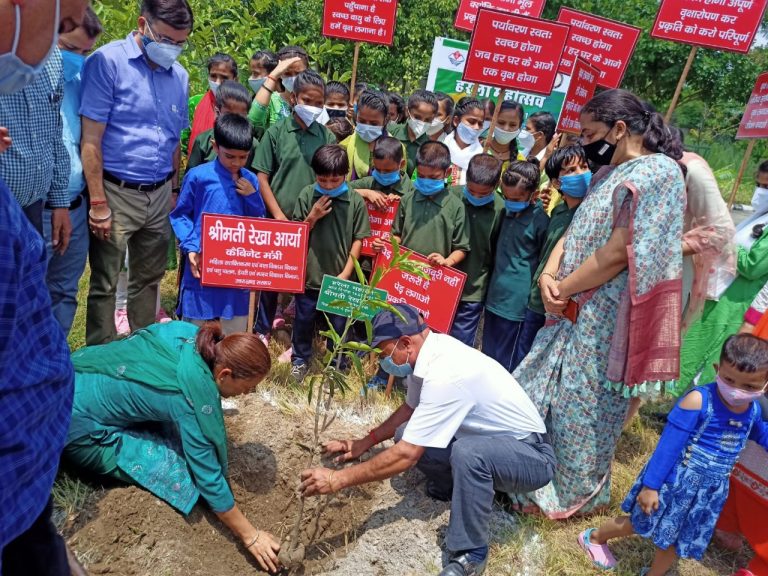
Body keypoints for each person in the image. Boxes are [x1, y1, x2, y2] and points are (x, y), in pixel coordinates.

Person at [510, 89, 686, 518]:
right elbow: (574, 232)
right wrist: (551, 277)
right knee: (539, 394)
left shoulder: (658, 173)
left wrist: (565, 287)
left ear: (619, 129)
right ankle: (530, 478)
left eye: (590, 133)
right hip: (568, 305)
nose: (585, 142)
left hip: (603, 316)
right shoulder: (608, 173)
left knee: (581, 409)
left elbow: (616, 253)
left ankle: (572, 495)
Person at [299, 303, 555, 576]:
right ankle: (459, 487)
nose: (383, 363)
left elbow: (407, 455)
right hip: (493, 446)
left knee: (468, 453)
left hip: (531, 456)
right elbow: (409, 409)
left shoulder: (447, 373)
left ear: (406, 343)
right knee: (405, 433)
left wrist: (337, 479)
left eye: (386, 354)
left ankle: (471, 554)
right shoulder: (429, 354)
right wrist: (364, 442)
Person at [65, 321, 282, 573]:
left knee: (174, 430)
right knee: (181, 475)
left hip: (78, 369)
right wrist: (251, 536)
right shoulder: (191, 400)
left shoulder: (190, 334)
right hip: (77, 425)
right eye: (246, 388)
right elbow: (209, 479)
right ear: (224, 375)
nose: (247, 394)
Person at [0, 0, 88, 573]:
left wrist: (60, 199)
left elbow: (57, 139)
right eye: (58, 22)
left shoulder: (45, 65)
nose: (57, 38)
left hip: (31, 196)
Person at [579, 334, 768, 576]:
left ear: (765, 385)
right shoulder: (698, 400)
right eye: (729, 380)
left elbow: (762, 435)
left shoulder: (751, 411)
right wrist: (651, 487)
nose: (736, 391)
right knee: (639, 523)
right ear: (717, 369)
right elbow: (667, 448)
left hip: (707, 491)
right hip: (675, 482)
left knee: (677, 538)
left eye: (749, 387)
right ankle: (594, 537)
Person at [80, 0, 194, 345]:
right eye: (166, 40)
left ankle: (141, 349)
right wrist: (98, 201)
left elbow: (175, 139)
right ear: (142, 24)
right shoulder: (107, 62)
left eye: (180, 43)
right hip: (116, 190)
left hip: (158, 193)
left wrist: (173, 189)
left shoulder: (180, 77)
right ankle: (99, 352)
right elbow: (91, 140)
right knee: (106, 280)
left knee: (149, 277)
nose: (172, 49)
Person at [251, 69, 335, 339]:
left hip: (317, 218)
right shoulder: (276, 133)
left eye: (319, 102)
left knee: (307, 278)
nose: (313, 106)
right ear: (294, 98)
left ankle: (299, 333)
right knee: (271, 278)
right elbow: (262, 177)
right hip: (280, 218)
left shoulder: (327, 138)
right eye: (307, 100)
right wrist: (278, 217)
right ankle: (262, 328)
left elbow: (333, 178)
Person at [676, 161, 768, 395]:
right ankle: (683, 400)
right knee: (694, 347)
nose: (760, 192)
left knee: (718, 356)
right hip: (720, 292)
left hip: (737, 301)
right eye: (758, 184)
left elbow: (753, 267)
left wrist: (724, 239)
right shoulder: (759, 217)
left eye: (766, 186)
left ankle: (708, 404)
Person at [171, 114, 265, 334]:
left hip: (236, 268)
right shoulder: (198, 176)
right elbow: (180, 215)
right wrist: (191, 247)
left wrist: (252, 197)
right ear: (215, 146)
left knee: (234, 335)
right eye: (230, 156)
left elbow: (258, 225)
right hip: (202, 263)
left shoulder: (250, 180)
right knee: (193, 334)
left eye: (243, 157)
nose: (236, 163)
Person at [42, 7, 102, 336]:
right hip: (35, 207)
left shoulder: (82, 82)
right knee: (26, 290)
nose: (77, 58)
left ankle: (55, 357)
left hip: (75, 206)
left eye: (85, 52)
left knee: (64, 290)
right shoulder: (22, 80)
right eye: (70, 49)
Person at [290, 144, 371, 382]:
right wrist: (312, 216)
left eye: (334, 180)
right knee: (303, 320)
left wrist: (346, 273)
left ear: (345, 175)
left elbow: (358, 240)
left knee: (339, 324)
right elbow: (298, 234)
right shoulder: (307, 194)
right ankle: (300, 359)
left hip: (340, 278)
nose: (328, 185)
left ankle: (337, 364)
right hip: (309, 274)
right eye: (322, 180)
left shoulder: (354, 201)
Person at [512, 144, 590, 370]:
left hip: (560, 301)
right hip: (538, 297)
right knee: (525, 353)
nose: (581, 174)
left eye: (584, 167)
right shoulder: (559, 210)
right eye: (572, 170)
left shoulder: (587, 213)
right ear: (557, 182)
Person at [0, 34, 72, 242]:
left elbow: (55, 134)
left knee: (31, 272)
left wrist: (60, 202)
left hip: (32, 207)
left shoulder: (52, 58)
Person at [481, 160, 549, 370]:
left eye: (516, 199)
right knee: (488, 354)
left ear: (534, 195)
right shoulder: (505, 213)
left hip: (517, 304)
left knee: (506, 362)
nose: (510, 203)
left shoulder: (540, 222)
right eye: (506, 197)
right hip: (494, 297)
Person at [448, 155, 504, 347]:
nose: (476, 198)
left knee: (459, 345)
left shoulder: (501, 209)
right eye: (472, 191)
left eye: (483, 194)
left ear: (496, 185)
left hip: (473, 289)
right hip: (442, 282)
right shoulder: (450, 196)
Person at [386, 141, 469, 269]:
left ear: (447, 173)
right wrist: (388, 244)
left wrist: (448, 261)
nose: (426, 181)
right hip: (404, 270)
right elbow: (396, 235)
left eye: (433, 177)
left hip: (435, 273)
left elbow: (461, 248)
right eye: (421, 176)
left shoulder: (456, 206)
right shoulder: (407, 200)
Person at [187, 80, 260, 171]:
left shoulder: (253, 145)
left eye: (240, 116)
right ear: (217, 113)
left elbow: (258, 179)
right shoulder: (203, 141)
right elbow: (191, 176)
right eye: (229, 115)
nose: (234, 121)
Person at [186, 52, 237, 157]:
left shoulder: (241, 107)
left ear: (235, 79)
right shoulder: (194, 103)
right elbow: (183, 139)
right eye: (213, 76)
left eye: (224, 77)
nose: (218, 82)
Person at [248, 45, 308, 132]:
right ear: (280, 74)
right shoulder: (270, 101)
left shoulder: (315, 102)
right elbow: (252, 122)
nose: (293, 78)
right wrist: (273, 75)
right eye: (287, 74)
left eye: (298, 73)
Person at [340, 89, 393, 180]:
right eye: (362, 121)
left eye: (373, 123)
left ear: (385, 120)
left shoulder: (395, 148)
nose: (367, 126)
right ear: (356, 116)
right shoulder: (344, 146)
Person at [349, 136, 414, 209]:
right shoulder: (369, 182)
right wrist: (366, 193)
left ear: (401, 164)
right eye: (377, 169)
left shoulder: (411, 190)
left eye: (387, 171)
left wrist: (402, 202)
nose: (381, 174)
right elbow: (340, 189)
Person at [388, 89, 438, 178]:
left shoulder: (429, 148)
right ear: (408, 111)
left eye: (427, 120)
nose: (422, 123)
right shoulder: (390, 132)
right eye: (417, 117)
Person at [444, 97, 485, 186]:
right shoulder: (438, 149)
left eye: (480, 123)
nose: (476, 127)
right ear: (456, 121)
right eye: (472, 121)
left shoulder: (483, 158)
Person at [485, 101, 527, 169]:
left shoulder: (521, 163)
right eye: (501, 123)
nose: (506, 128)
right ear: (493, 121)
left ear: (520, 127)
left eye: (512, 125)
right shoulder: (478, 149)